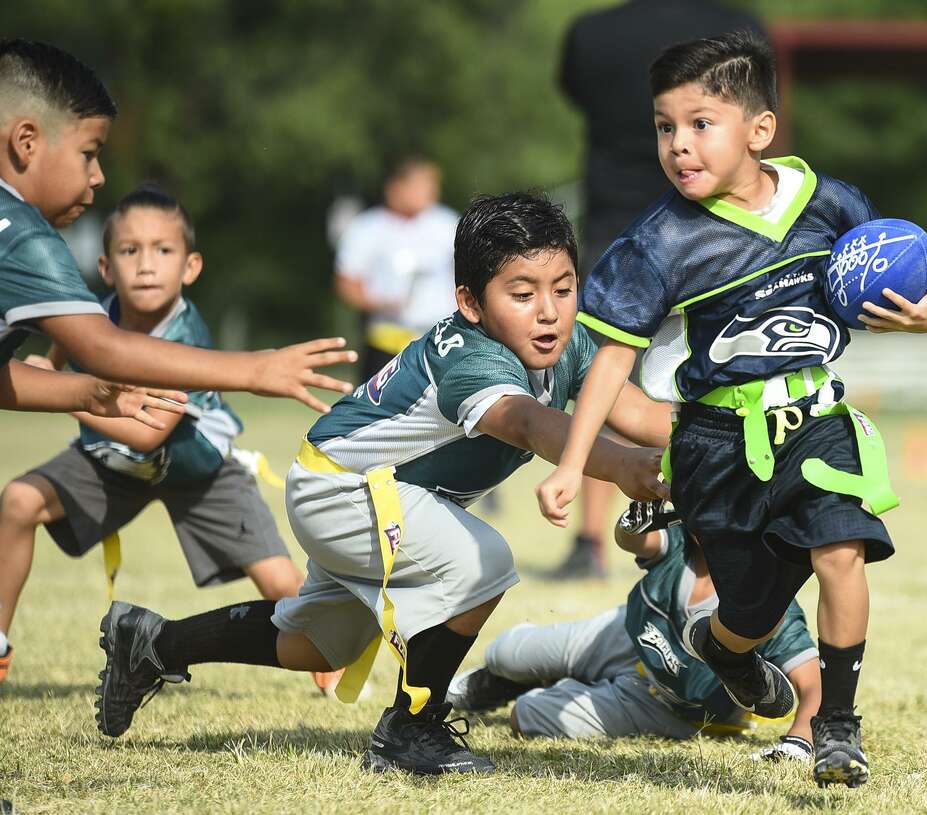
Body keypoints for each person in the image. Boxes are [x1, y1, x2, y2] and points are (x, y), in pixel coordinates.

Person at [92, 192, 671, 776]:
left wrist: (723, 437)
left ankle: (152, 642)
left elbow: (640, 413)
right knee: (480, 562)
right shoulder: (472, 358)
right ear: (470, 303)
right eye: (522, 294)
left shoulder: (565, 344)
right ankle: (410, 730)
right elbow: (527, 423)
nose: (548, 311)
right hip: (341, 489)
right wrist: (620, 466)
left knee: (316, 646)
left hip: (367, 491)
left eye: (563, 289)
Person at [536, 32, 927, 788]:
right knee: (748, 613)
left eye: (701, 123)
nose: (679, 145)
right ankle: (725, 647)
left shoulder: (831, 201)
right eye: (665, 126)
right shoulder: (657, 244)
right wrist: (570, 462)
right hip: (717, 446)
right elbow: (610, 362)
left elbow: (911, 284)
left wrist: (926, 314)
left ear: (759, 129)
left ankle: (839, 729)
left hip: (817, 420)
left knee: (841, 548)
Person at [0, 185, 345, 688]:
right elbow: (61, 355)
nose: (145, 265)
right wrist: (51, 370)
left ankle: (327, 653)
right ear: (105, 266)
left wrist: (62, 392)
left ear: (190, 268)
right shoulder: (89, 316)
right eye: (129, 250)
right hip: (110, 464)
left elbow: (148, 431)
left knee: (279, 583)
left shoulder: (184, 335)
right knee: (17, 501)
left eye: (163, 251)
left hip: (200, 472)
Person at [0, 39, 357, 416]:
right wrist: (255, 369)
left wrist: (86, 394)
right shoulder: (21, 234)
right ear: (27, 142)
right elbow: (104, 348)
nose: (99, 176)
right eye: (88, 153)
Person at [551, 0, 766, 580]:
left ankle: (595, 537)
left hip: (614, 220)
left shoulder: (591, 32)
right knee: (724, 366)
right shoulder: (736, 25)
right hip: (716, 224)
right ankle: (720, 524)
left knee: (609, 366)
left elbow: (575, 91)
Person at [448, 499, 821, 761]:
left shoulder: (769, 605)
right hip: (624, 636)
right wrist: (639, 511)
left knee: (527, 717)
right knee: (505, 653)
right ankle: (515, 675)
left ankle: (542, 681)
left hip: (667, 708)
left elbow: (812, 689)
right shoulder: (677, 543)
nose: (711, 517)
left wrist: (799, 742)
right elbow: (631, 537)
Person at [334, 156, 458, 381]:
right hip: (386, 339)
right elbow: (347, 282)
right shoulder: (367, 228)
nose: (430, 192)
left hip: (440, 338)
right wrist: (379, 302)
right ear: (395, 187)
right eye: (421, 186)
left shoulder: (448, 224)